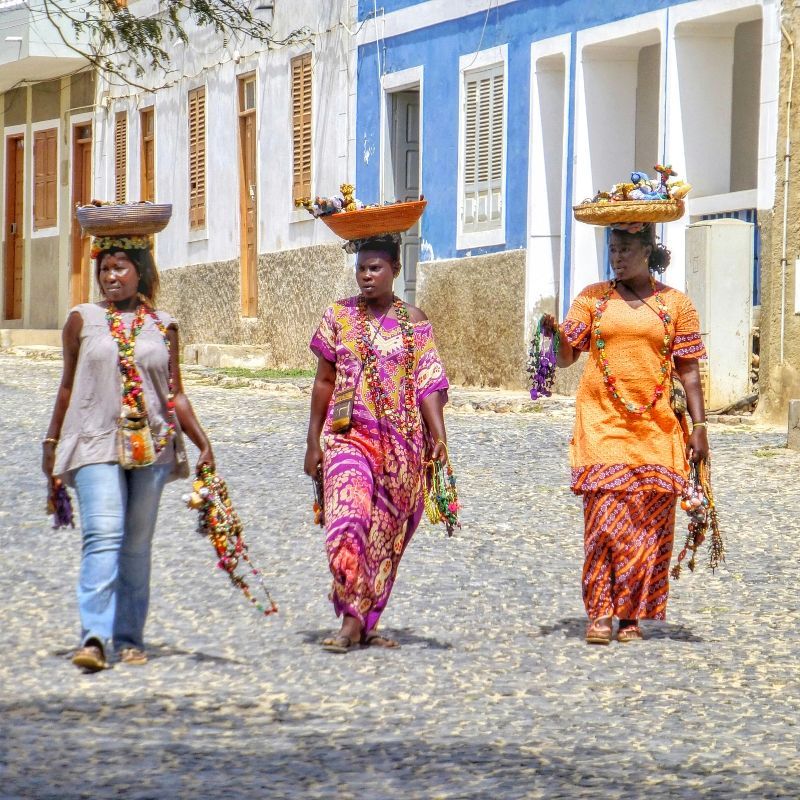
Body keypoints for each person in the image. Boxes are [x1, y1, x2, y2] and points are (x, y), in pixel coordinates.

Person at [42, 227, 213, 672]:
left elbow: (175, 393)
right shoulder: (81, 319)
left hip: (152, 446)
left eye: (120, 268)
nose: (111, 277)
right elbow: (66, 386)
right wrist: (51, 441)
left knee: (136, 545)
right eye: (105, 269)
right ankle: (94, 637)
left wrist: (202, 442)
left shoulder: (163, 326)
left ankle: (130, 637)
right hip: (94, 440)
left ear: (141, 273)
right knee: (103, 534)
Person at [543, 223, 708, 644]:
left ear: (649, 249)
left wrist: (700, 427)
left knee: (646, 525)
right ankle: (600, 612)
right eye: (612, 249)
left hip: (656, 429)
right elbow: (566, 358)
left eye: (626, 249)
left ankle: (631, 615)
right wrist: (556, 336)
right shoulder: (592, 299)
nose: (616, 257)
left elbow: (688, 370)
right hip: (601, 423)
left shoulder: (675, 305)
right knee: (603, 524)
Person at [304, 234, 449, 653]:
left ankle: (358, 623)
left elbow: (428, 383)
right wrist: (313, 441)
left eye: (375, 268)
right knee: (347, 521)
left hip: (401, 450)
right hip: (348, 438)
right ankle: (352, 615)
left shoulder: (415, 322)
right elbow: (324, 381)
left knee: (384, 538)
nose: (366, 276)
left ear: (395, 270)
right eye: (361, 268)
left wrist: (438, 437)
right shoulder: (339, 317)